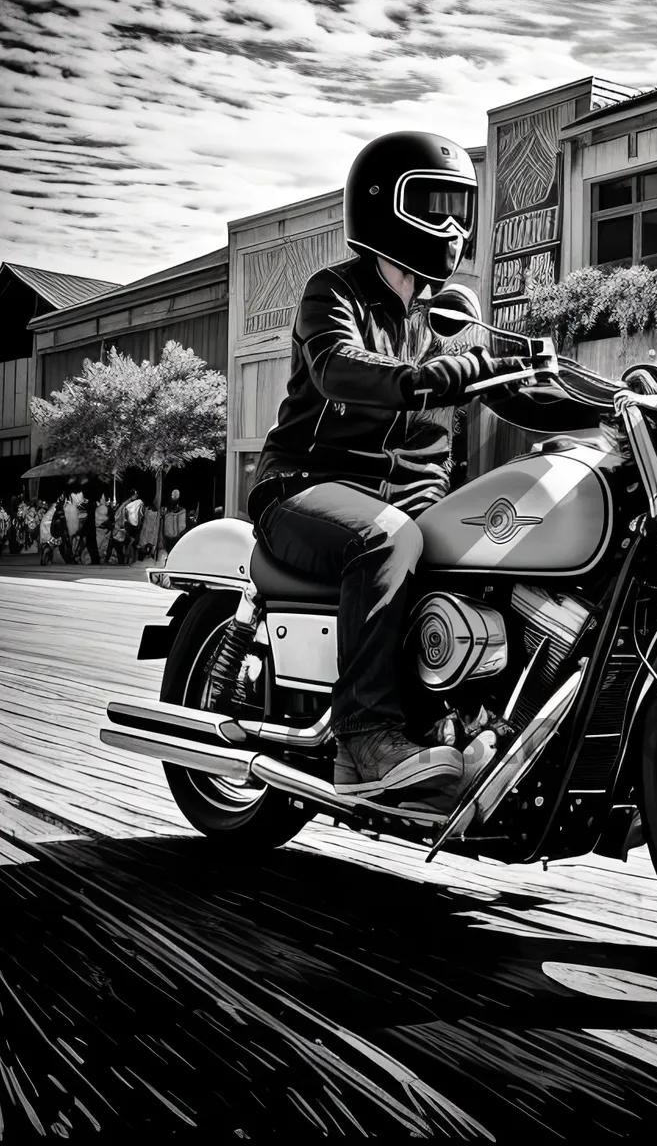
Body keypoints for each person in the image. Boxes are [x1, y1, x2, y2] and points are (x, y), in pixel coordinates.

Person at [248, 130, 527, 804]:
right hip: (307, 490)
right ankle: (363, 738)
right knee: (386, 537)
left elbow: (491, 387)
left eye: (460, 208)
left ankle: (472, 723)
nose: (452, 226)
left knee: (504, 537)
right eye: (433, 205)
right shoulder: (331, 293)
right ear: (383, 206)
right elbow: (337, 365)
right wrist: (423, 375)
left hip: (412, 501)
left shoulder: (443, 319)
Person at [121, 487, 145, 564]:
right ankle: (129, 559)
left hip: (133, 525)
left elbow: (141, 513)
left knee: (133, 544)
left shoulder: (138, 502)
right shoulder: (131, 503)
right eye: (135, 494)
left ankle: (132, 560)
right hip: (130, 525)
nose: (136, 495)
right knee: (131, 542)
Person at [162, 489, 187, 558]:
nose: (176, 496)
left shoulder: (178, 503)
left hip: (174, 531)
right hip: (169, 530)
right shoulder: (169, 502)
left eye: (177, 495)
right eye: (174, 494)